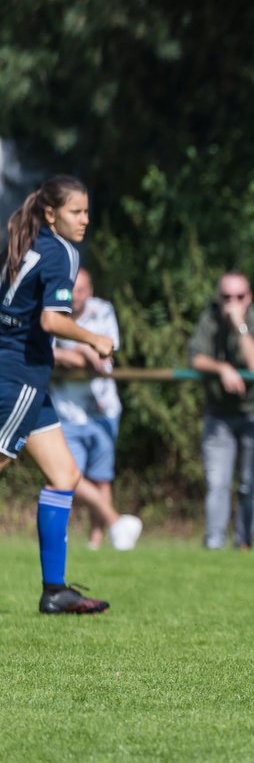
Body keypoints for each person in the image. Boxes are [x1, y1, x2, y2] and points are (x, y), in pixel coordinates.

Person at [0, 175, 143, 614]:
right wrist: (92, 340)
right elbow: (50, 321)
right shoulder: (61, 251)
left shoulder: (29, 244)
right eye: (76, 212)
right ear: (51, 214)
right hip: (18, 377)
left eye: (86, 210)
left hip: (27, 378)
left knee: (64, 475)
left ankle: (55, 591)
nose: (85, 219)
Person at [188, 271, 254, 550]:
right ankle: (214, 544)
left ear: (248, 297)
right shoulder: (209, 320)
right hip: (219, 414)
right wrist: (222, 368)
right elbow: (194, 358)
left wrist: (240, 326)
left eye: (239, 297)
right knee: (217, 483)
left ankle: (245, 543)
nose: (232, 302)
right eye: (226, 297)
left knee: (250, 484)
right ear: (218, 297)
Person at [52, 267, 124, 550]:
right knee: (67, 475)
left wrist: (75, 352)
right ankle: (116, 521)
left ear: (90, 292)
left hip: (103, 408)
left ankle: (98, 542)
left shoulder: (103, 312)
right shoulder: (53, 312)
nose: (73, 296)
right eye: (70, 290)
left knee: (102, 477)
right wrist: (85, 348)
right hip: (67, 410)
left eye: (80, 290)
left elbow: (103, 357)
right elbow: (46, 352)